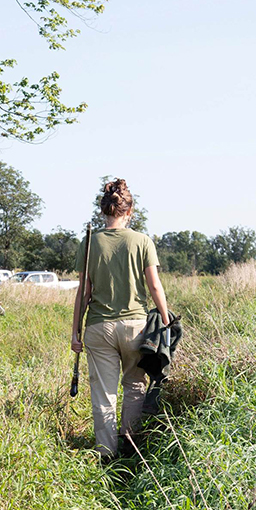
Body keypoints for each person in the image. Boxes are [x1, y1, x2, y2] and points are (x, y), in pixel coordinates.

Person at [71, 178, 170, 458]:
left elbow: (84, 292)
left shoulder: (89, 243)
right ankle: (131, 449)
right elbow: (154, 287)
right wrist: (166, 321)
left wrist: (75, 333)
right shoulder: (142, 241)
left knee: (103, 394)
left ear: (104, 211)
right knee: (135, 387)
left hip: (98, 328)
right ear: (129, 212)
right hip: (135, 328)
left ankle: (106, 454)